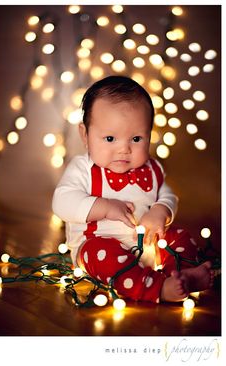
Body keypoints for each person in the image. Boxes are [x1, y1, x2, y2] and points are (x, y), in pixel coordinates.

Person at [52, 75, 214, 303]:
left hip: (148, 249)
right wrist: (105, 207)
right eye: (110, 138)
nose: (124, 149)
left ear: (149, 135)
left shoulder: (151, 168)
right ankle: (157, 289)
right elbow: (62, 201)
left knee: (179, 236)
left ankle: (181, 274)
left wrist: (161, 210)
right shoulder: (84, 169)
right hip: (98, 249)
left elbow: (168, 194)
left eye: (136, 138)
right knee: (101, 253)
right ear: (85, 135)